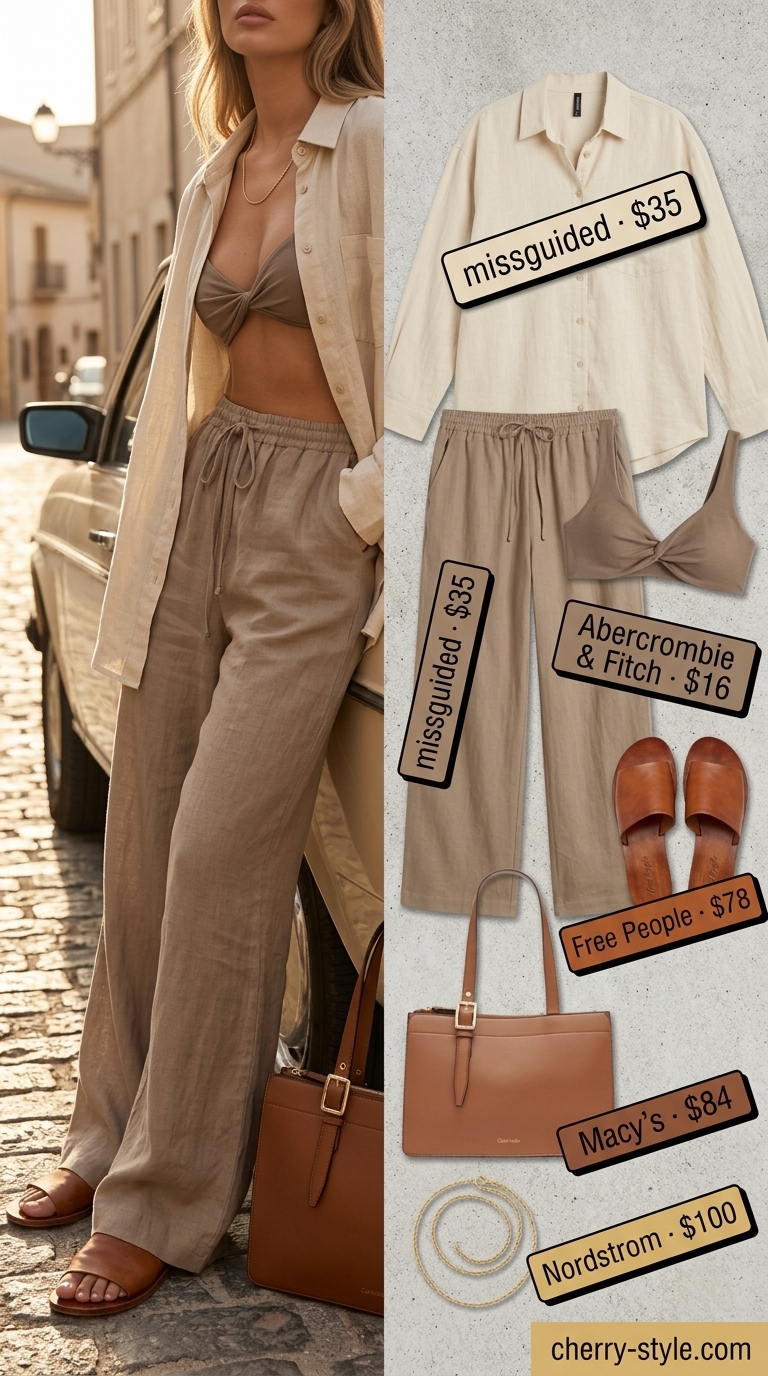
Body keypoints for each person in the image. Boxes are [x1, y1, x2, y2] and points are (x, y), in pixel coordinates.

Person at [7, 0, 383, 1316]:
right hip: (193, 507)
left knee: (226, 853)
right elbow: (185, 381)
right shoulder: (219, 164)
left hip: (307, 529)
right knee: (148, 845)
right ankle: (104, 1144)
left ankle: (169, 1200)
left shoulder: (377, 145)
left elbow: (440, 361)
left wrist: (359, 507)